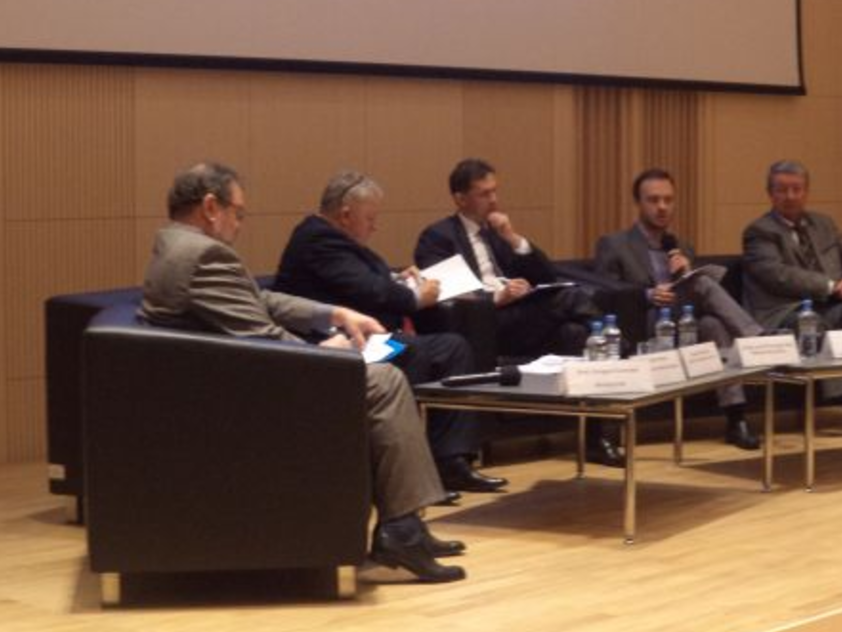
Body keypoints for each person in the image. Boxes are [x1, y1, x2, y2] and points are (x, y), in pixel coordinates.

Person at [140, 161, 466, 583]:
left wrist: (333, 313)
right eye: (239, 212)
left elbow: (261, 301)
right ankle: (403, 531)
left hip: (221, 378)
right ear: (210, 207)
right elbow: (261, 336)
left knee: (382, 368)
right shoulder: (203, 255)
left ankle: (405, 528)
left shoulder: (176, 245)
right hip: (241, 393)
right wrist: (322, 353)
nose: (240, 223)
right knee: (384, 379)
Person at [274, 169, 506, 495]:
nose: (375, 226)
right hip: (333, 348)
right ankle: (418, 470)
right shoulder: (319, 240)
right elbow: (368, 289)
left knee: (450, 348)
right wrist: (416, 296)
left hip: (368, 340)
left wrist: (399, 278)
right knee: (419, 350)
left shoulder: (333, 238)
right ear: (345, 215)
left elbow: (370, 280)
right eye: (370, 218)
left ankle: (449, 461)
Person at [414, 158, 623, 467]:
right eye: (484, 193)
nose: (494, 200)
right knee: (570, 298)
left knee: (576, 334)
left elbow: (546, 274)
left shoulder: (496, 234)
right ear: (460, 199)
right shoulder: (438, 237)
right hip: (484, 325)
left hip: (519, 319)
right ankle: (621, 348)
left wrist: (513, 239)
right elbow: (444, 292)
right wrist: (496, 297)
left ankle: (595, 440)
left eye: (495, 191)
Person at [594, 168, 765, 450]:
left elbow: (691, 299)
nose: (662, 207)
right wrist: (647, 295)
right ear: (638, 203)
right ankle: (756, 338)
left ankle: (736, 421)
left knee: (714, 325)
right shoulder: (614, 244)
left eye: (668, 200)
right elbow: (603, 294)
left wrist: (686, 272)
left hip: (683, 324)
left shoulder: (681, 245)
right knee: (704, 285)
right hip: (644, 323)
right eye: (653, 200)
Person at [741, 159, 842, 443]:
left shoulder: (824, 224)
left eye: (797, 189)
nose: (790, 196)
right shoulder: (758, 232)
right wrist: (832, 286)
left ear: (806, 192)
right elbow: (779, 276)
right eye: (782, 190)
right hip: (785, 312)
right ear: (770, 193)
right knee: (811, 324)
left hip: (828, 307)